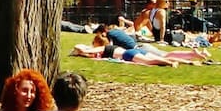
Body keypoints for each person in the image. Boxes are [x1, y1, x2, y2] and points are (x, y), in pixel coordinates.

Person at [70, 43, 208, 66]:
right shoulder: (109, 47)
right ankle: (190, 60)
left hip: (128, 55)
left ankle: (170, 63)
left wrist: (77, 52)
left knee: (149, 62)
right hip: (135, 51)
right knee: (161, 56)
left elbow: (87, 51)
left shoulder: (103, 48)